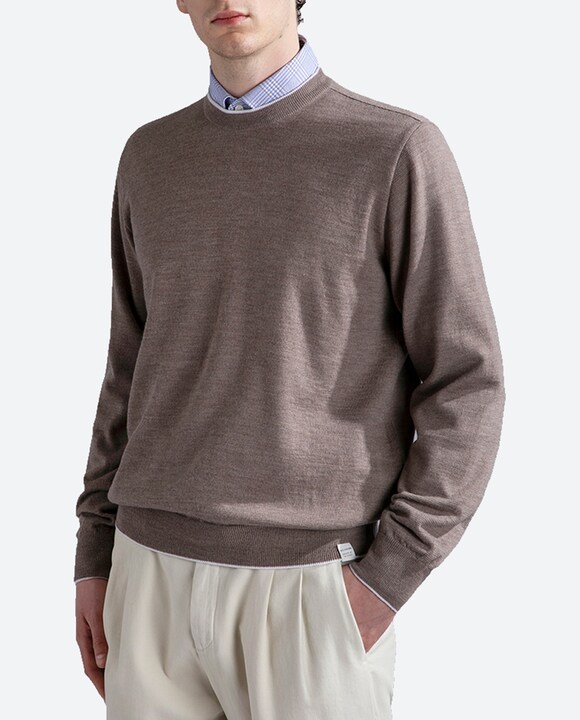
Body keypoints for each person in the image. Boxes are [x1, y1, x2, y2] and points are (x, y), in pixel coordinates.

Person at [74, 1, 506, 718]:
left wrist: (389, 576)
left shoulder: (394, 149)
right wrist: (95, 552)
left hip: (312, 584)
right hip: (147, 571)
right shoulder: (150, 156)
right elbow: (128, 367)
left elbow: (467, 381)